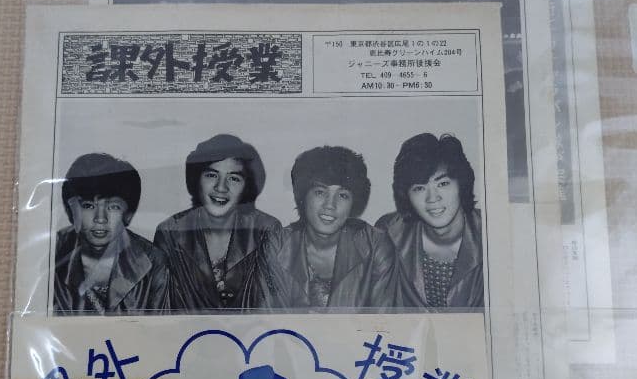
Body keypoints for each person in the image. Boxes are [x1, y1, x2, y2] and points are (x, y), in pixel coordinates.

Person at [256, 146, 397, 311]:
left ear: (353, 202)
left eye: (343, 195)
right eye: (320, 192)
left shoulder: (375, 245)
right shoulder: (277, 245)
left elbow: (383, 320)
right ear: (303, 196)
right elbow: (271, 319)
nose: (330, 205)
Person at [154, 133, 281, 312]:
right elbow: (161, 312)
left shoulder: (266, 231)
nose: (221, 187)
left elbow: (273, 310)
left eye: (233, 178)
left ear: (246, 186)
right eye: (212, 175)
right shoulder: (170, 233)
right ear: (197, 178)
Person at [376, 134, 484, 310]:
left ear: (461, 184)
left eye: (443, 184)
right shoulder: (389, 233)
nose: (432, 198)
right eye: (420, 188)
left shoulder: (492, 231)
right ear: (407, 195)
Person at [54, 152, 168, 314]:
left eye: (113, 207)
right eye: (88, 206)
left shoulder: (152, 261)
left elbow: (161, 326)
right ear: (71, 210)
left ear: (128, 214)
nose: (100, 219)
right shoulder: (51, 252)